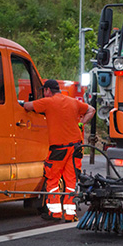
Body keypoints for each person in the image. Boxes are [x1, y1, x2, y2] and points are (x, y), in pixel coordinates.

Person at [22, 78, 95, 221]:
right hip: (76, 147)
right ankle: (70, 214)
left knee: (53, 179)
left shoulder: (48, 102)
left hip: (59, 148)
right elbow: (91, 110)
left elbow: (27, 106)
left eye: (44, 91)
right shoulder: (73, 102)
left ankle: (54, 213)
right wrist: (81, 123)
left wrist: (21, 103)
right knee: (71, 180)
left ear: (48, 90)